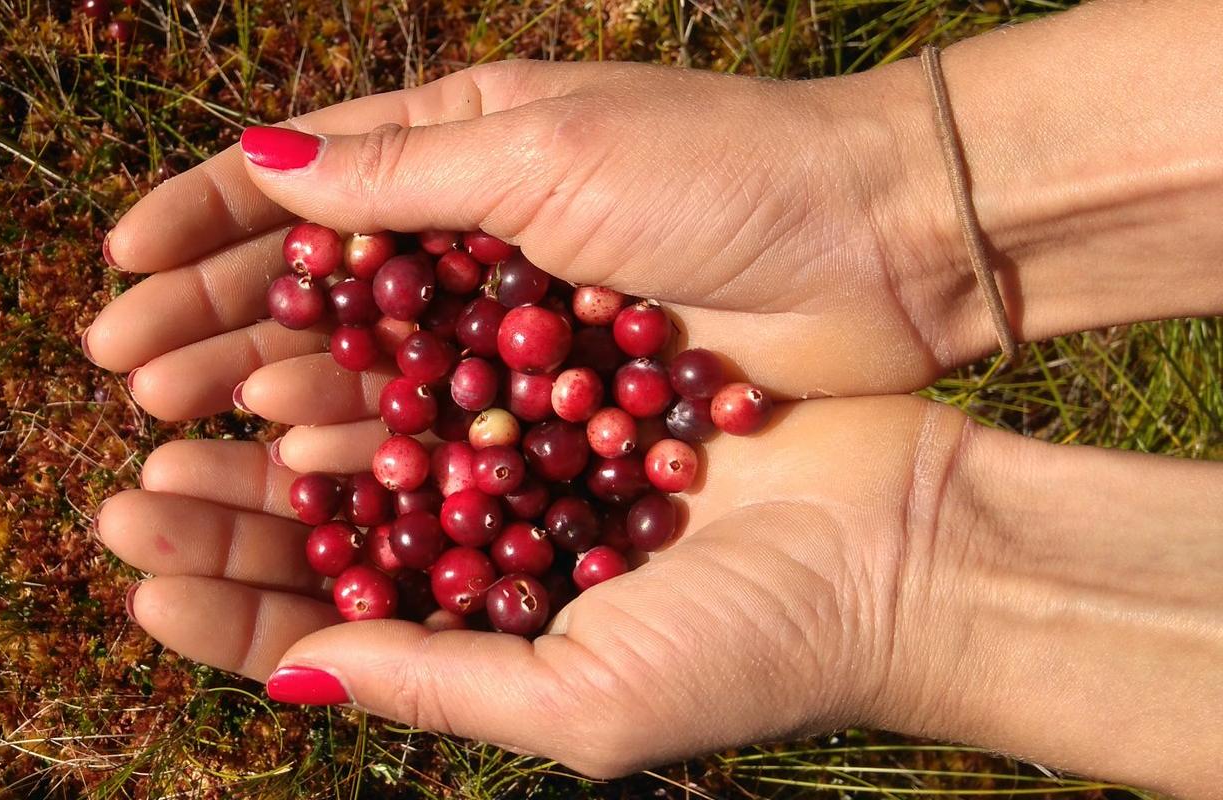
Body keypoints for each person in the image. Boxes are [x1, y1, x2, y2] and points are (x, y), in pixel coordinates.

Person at [81, 0, 1223, 795]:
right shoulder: (530, 415)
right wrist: (902, 598)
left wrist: (901, 195)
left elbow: (522, 409)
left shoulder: (556, 394)